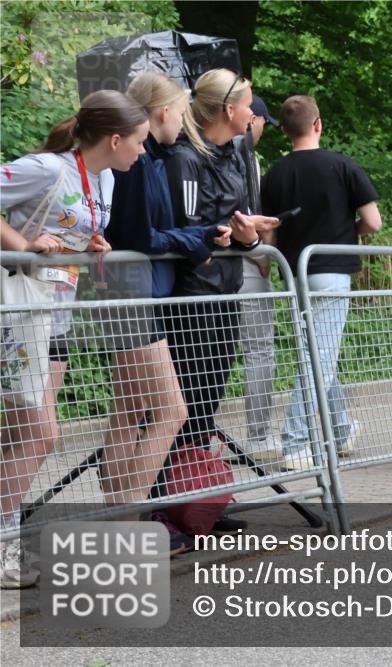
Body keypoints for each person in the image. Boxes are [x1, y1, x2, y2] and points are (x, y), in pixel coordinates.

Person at [1, 90, 149, 588]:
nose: (143, 152)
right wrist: (23, 245)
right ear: (114, 139)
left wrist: (87, 243)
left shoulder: (104, 176)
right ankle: (4, 544)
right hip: (20, 310)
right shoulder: (46, 167)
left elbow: (66, 225)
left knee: (20, 434)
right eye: (139, 142)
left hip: (57, 316)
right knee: (40, 432)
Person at [101, 73, 237, 530]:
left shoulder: (148, 159)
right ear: (162, 112)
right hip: (136, 295)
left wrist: (196, 236)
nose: (185, 121)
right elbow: (140, 235)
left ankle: (120, 517)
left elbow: (149, 232)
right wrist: (196, 239)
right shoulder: (140, 162)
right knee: (170, 411)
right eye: (181, 112)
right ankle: (130, 518)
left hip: (136, 292)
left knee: (130, 410)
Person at [157, 69, 277, 535]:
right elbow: (185, 229)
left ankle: (200, 502)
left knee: (207, 403)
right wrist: (223, 235)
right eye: (248, 104)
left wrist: (248, 239)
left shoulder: (237, 152)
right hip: (191, 298)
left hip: (226, 290)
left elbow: (234, 228)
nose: (253, 112)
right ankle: (168, 507)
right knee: (183, 403)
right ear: (229, 110)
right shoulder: (184, 158)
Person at [261, 94, 382, 471]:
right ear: (319, 124)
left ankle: (342, 430)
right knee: (320, 359)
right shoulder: (343, 166)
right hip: (331, 273)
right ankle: (296, 443)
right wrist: (351, 232)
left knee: (317, 355)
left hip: (293, 274)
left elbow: (269, 237)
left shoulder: (275, 174)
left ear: (283, 130)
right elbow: (374, 222)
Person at [237, 94, 283, 463]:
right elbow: (241, 215)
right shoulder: (244, 157)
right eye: (265, 124)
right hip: (246, 264)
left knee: (213, 353)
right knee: (258, 350)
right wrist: (259, 251)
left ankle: (196, 443)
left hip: (213, 268)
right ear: (254, 120)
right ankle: (259, 436)